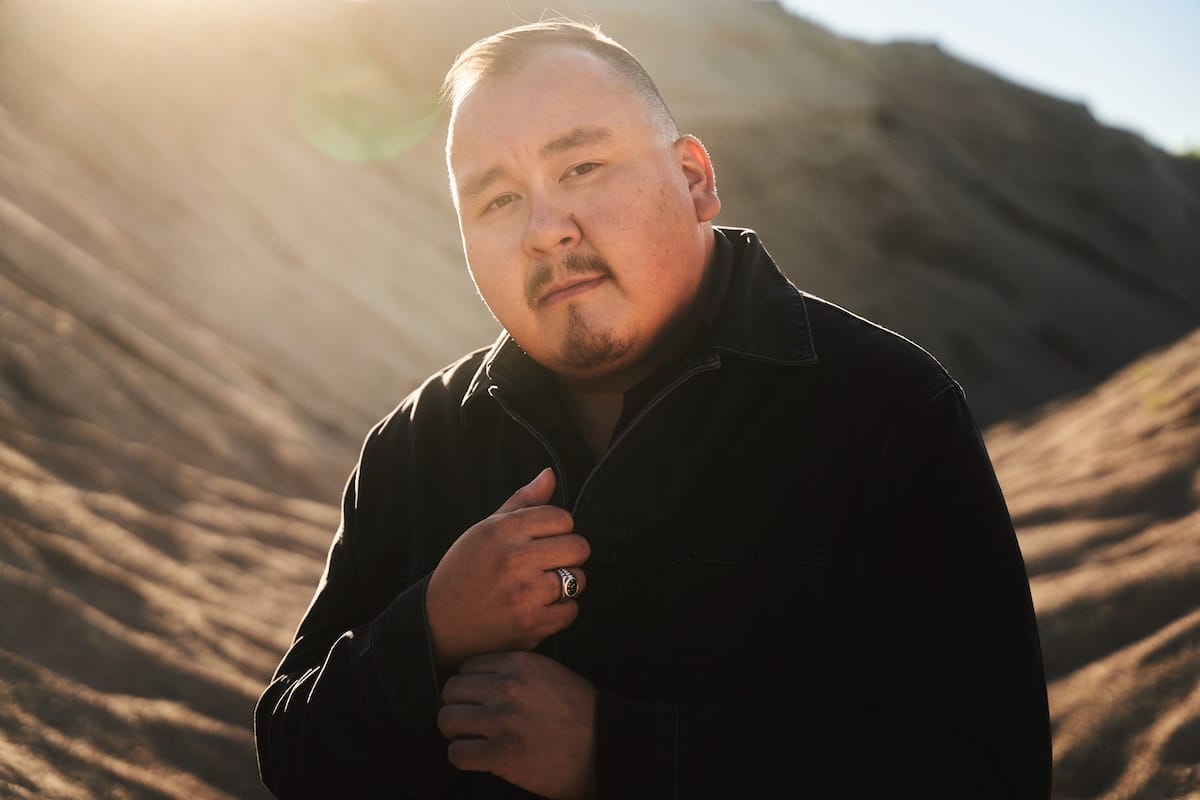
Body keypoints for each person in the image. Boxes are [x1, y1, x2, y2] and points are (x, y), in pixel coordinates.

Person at [255, 20, 1051, 799]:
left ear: (695, 179)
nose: (544, 230)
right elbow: (293, 759)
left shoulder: (889, 412)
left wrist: (621, 753)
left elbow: (990, 771)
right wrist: (429, 631)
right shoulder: (414, 446)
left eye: (582, 168)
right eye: (496, 202)